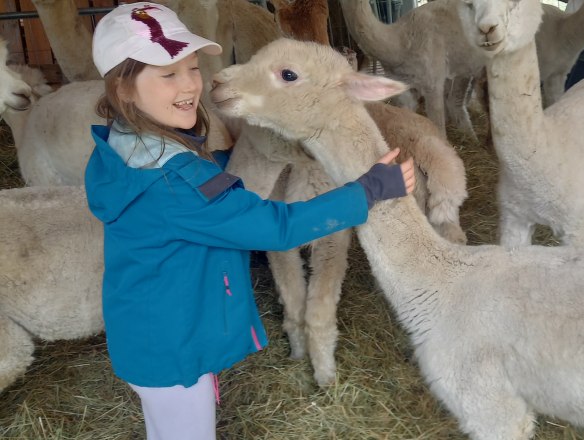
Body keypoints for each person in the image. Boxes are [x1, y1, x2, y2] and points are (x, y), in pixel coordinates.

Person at [84, 3, 415, 440]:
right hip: (174, 351)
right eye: (168, 75)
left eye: (192, 68)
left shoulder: (127, 148)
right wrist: (367, 190)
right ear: (124, 88)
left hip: (149, 336)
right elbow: (277, 228)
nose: (191, 84)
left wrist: (227, 162)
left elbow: (196, 193)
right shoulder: (175, 182)